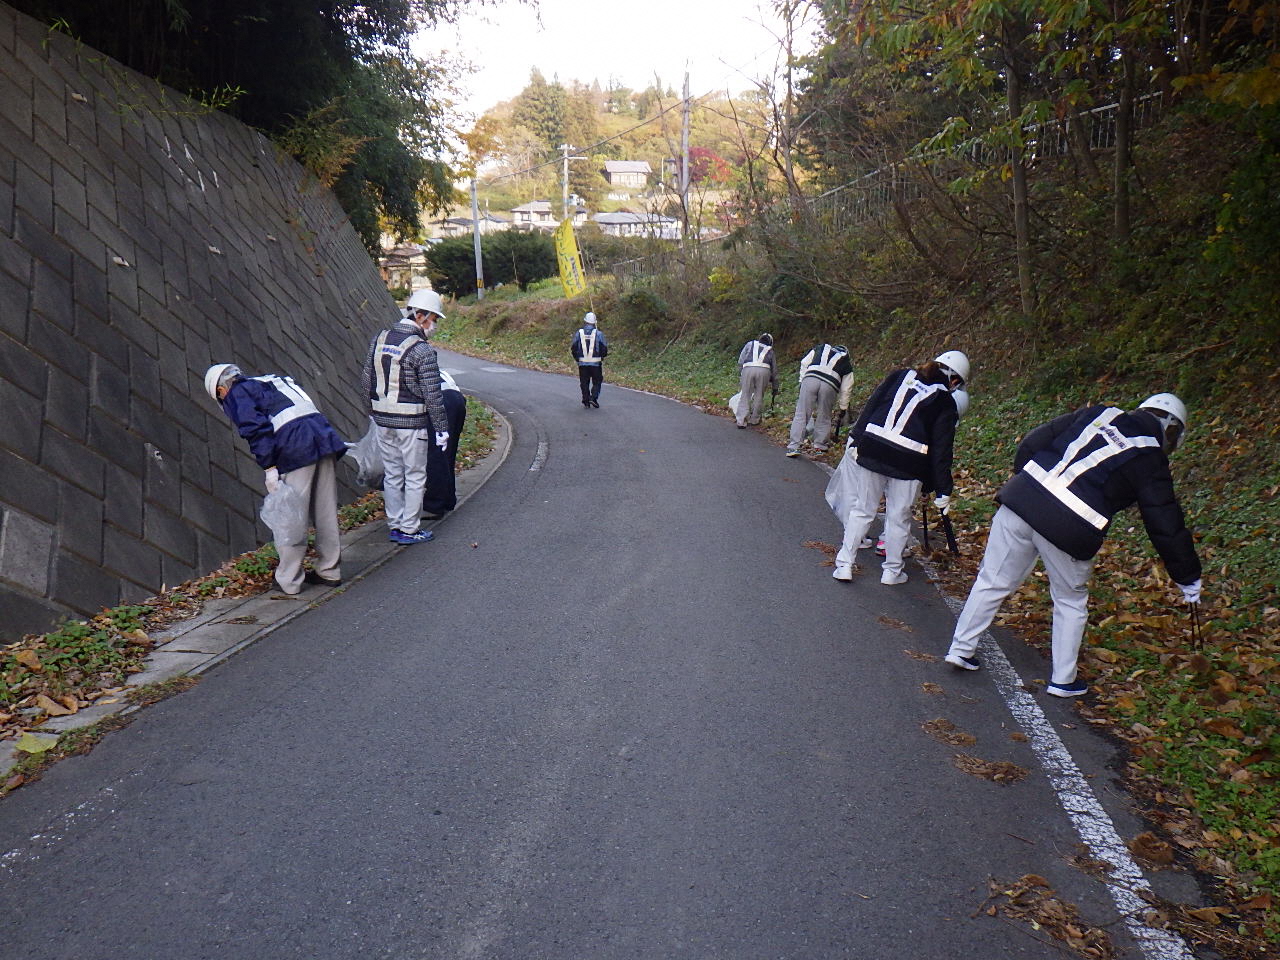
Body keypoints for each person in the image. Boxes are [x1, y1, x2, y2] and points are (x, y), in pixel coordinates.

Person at [944, 393, 1202, 698]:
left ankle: (960, 648)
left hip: (1021, 499)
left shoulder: (1101, 413)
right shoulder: (1151, 457)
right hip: (1071, 527)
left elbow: (1033, 442)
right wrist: (1187, 576)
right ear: (1171, 430)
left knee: (992, 579)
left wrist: (1026, 488)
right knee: (1069, 600)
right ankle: (1063, 680)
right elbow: (1164, 521)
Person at [203, 363, 347, 595]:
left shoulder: (237, 392)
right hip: (324, 438)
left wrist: (269, 466)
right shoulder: (273, 380)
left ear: (221, 390)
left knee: (290, 517)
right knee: (325, 511)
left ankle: (289, 580)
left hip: (296, 448)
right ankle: (329, 571)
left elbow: (254, 428)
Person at [831, 350, 969, 585]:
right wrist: (942, 488)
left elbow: (872, 405)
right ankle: (892, 572)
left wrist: (857, 438)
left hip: (873, 448)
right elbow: (941, 450)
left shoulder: (900, 376)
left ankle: (844, 565)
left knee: (863, 510)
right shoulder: (945, 401)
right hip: (910, 462)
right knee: (898, 517)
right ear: (954, 380)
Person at [361, 288, 450, 545]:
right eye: (433, 319)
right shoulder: (422, 350)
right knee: (414, 476)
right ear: (420, 316)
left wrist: (372, 411)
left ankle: (395, 524)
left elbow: (367, 379)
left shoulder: (379, 338)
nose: (434, 325)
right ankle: (410, 529)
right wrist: (442, 428)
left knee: (392, 474)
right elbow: (433, 395)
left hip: (383, 420)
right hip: (411, 423)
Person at [787, 342, 854, 456]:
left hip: (811, 378)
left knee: (802, 413)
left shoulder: (821, 348)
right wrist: (843, 407)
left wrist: (802, 380)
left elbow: (804, 362)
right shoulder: (846, 362)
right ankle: (819, 447)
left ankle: (794, 446)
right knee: (824, 415)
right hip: (830, 385)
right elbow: (846, 388)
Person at [422, 371, 467, 518]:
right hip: (456, 397)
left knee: (435, 454)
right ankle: (448, 499)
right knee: (448, 452)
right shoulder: (428, 362)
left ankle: (434, 506)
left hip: (441, 401)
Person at [736, 333, 778, 427]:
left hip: (748, 367)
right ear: (770, 342)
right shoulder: (770, 350)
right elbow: (774, 370)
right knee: (759, 395)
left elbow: (741, 360)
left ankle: (741, 421)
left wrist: (740, 373)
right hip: (764, 370)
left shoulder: (750, 344)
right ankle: (754, 419)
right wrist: (775, 386)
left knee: (745, 394)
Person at [571, 311, 609, 407]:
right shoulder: (599, 334)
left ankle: (586, 400)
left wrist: (577, 359)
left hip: (583, 363)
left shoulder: (579, 333)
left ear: (585, 321)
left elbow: (574, 347)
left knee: (584, 382)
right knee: (597, 381)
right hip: (596, 363)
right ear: (595, 322)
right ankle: (593, 398)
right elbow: (604, 348)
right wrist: (602, 357)